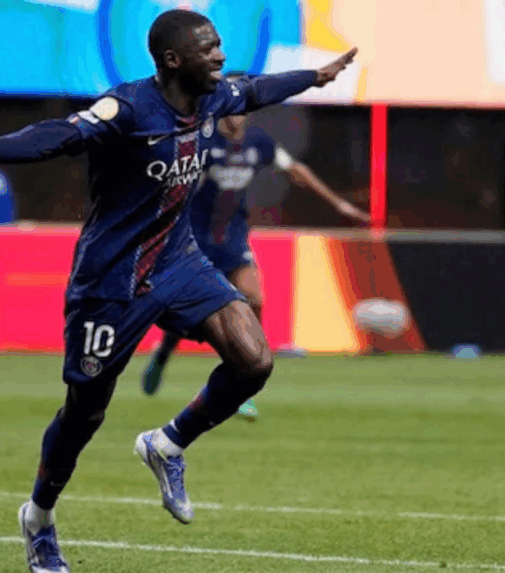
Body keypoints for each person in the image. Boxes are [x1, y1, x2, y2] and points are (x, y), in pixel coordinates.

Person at [0, 10, 355, 573]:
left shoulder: (214, 99)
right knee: (85, 413)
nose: (221, 56)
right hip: (110, 281)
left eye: (220, 45)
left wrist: (315, 77)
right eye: (209, 48)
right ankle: (39, 517)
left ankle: (167, 444)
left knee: (254, 359)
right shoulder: (126, 109)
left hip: (178, 262)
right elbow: (60, 135)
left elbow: (256, 90)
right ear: (173, 60)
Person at [142, 74, 370, 420]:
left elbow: (296, 170)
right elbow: (178, 187)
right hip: (197, 244)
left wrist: (338, 204)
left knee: (255, 298)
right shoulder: (205, 142)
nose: (236, 113)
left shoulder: (258, 142)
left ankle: (243, 380)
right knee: (184, 320)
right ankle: (163, 354)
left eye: (241, 106)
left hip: (234, 240)